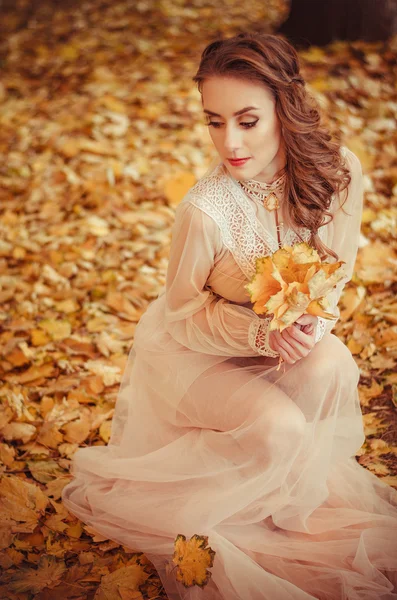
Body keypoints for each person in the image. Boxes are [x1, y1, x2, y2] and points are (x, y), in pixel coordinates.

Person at [61, 33, 397, 600]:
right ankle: (222, 501)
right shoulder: (204, 211)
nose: (230, 142)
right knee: (280, 428)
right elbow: (183, 313)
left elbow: (335, 270)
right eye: (215, 122)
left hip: (275, 339)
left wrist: (312, 321)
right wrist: (262, 331)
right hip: (191, 355)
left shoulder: (339, 172)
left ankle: (278, 496)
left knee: (332, 366)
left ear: (285, 107)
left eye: (246, 120)